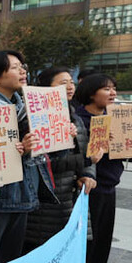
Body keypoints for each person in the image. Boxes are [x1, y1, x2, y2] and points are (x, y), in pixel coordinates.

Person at [0, 50, 52, 263]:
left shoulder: (24, 108)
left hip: (23, 195)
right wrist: (19, 149)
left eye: (22, 66)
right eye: (15, 67)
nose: (23, 70)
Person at [24, 67, 97, 252]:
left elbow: (86, 149)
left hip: (70, 198)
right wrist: (84, 162)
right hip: (48, 201)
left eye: (71, 82)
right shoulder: (35, 118)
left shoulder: (75, 117)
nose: (70, 86)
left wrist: (88, 174)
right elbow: (40, 164)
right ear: (46, 88)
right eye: (63, 83)